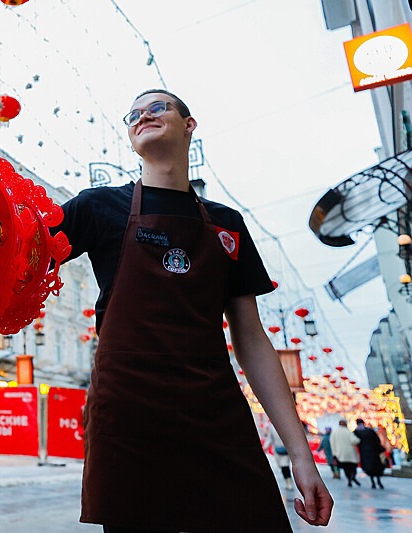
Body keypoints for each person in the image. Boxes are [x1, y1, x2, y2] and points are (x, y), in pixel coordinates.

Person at [56, 89, 332, 532]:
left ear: (189, 125)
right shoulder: (97, 207)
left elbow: (251, 337)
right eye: (134, 114)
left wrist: (300, 454)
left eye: (158, 107)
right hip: (130, 416)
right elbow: (20, 251)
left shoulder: (228, 224)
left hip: (215, 412)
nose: (143, 114)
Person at [354, 418, 386, 489]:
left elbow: (355, 441)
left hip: (364, 453)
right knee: (376, 467)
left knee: (369, 469)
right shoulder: (370, 431)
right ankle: (379, 482)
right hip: (374, 452)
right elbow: (377, 440)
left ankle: (373, 483)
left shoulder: (356, 432)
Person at [330, 419, 361, 487]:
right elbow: (355, 441)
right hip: (351, 454)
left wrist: (335, 454)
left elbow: (332, 444)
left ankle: (349, 479)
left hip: (340, 455)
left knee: (346, 469)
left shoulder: (334, 432)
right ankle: (352, 477)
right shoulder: (348, 432)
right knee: (353, 468)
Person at [266, 425, 294, 490]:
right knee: (284, 467)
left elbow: (269, 439)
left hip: (283, 450)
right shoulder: (274, 427)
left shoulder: (274, 427)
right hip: (282, 450)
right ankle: (288, 482)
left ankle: (289, 482)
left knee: (285, 467)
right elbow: (270, 438)